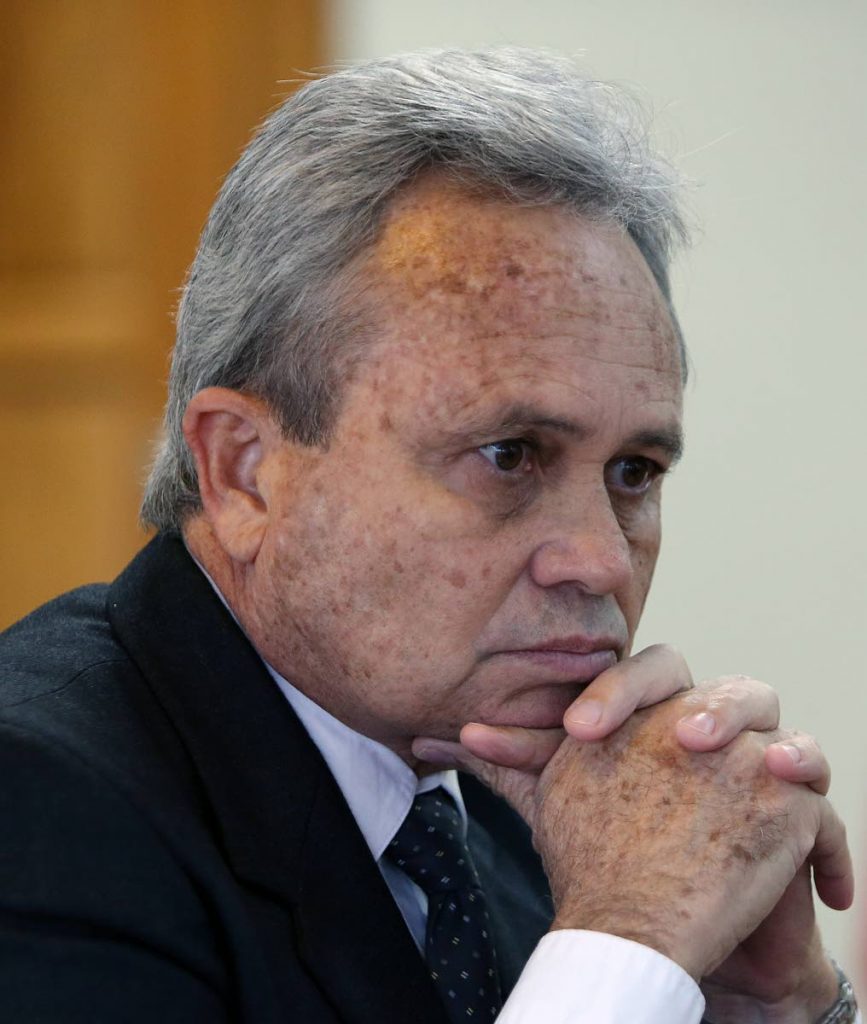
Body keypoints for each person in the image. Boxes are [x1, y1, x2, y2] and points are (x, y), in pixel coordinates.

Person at [0, 48, 858, 1024]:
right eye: (510, 454)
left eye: (635, 473)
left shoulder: (519, 806)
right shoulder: (35, 802)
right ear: (243, 470)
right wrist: (629, 943)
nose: (604, 559)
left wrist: (778, 1009)